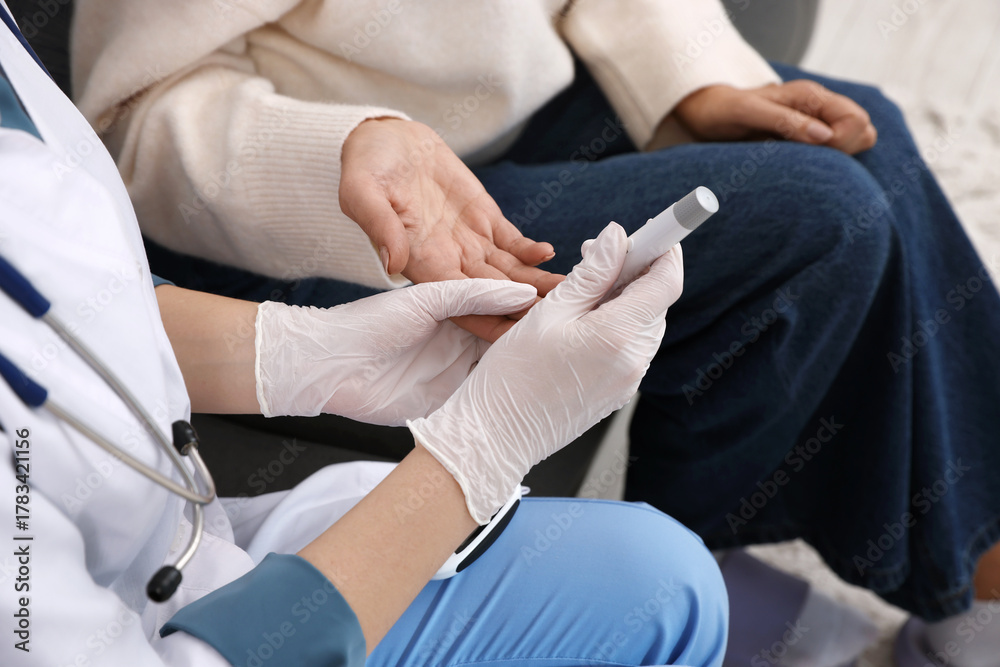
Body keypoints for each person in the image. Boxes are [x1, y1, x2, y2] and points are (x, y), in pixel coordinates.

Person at [70, 1, 1000, 665]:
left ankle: (978, 565)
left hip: (531, 107)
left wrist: (692, 80)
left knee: (867, 137)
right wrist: (349, 148)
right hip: (322, 198)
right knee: (818, 216)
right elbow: (136, 121)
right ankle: (724, 583)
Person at [0, 5, 731, 667]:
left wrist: (295, 351)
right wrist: (473, 457)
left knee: (666, 581)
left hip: (183, 538)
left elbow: (64, 298)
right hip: (195, 639)